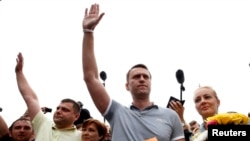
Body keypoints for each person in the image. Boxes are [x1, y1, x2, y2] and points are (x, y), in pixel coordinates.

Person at [81, 3, 185, 141]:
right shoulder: (116, 112)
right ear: (127, 86)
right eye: (136, 77)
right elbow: (91, 78)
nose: (141, 79)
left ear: (151, 83)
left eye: (145, 77)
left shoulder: (171, 116)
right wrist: (88, 32)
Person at [15, 52, 82, 141]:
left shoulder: (82, 137)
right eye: (58, 108)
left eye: (65, 110)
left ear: (76, 116)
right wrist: (19, 72)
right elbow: (31, 98)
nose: (58, 111)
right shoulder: (43, 123)